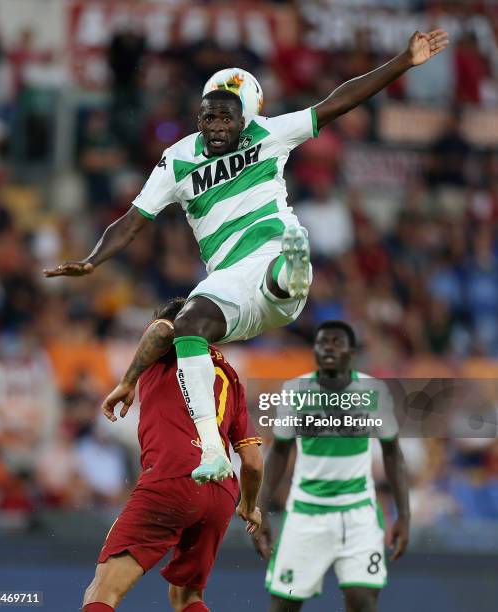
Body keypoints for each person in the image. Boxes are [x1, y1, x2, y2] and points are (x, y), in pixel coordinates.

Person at [45, 29, 449, 484]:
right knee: (189, 324)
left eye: (228, 118)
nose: (218, 126)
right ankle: (213, 451)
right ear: (199, 116)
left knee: (267, 278)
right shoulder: (176, 160)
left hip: (273, 250)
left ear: (246, 118)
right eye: (210, 117)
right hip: (229, 280)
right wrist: (93, 260)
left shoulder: (268, 133)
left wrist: (403, 61)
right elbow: (132, 220)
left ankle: (289, 273)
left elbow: (338, 102)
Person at [82, 297, 263, 612]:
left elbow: (165, 331)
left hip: (173, 476)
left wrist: (127, 381)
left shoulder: (167, 342)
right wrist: (248, 505)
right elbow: (252, 462)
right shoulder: (231, 378)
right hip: (221, 492)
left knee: (103, 591)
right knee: (187, 598)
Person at [254, 320, 410, 612]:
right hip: (305, 513)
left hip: (358, 513)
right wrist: (259, 510)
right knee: (283, 605)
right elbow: (278, 453)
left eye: (337, 342)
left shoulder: (373, 392)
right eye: (322, 342)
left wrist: (404, 514)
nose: (328, 347)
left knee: (362, 602)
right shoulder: (295, 391)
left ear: (351, 352)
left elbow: (393, 454)